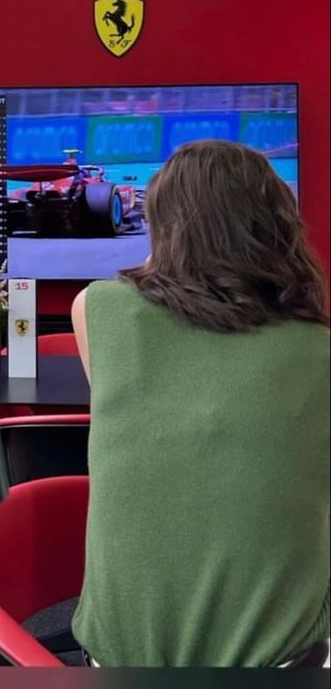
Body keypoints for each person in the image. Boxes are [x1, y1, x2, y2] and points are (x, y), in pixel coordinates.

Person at [71, 139, 330, 667]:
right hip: (285, 664)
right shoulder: (319, 350)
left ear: (164, 225)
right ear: (278, 229)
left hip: (113, 659)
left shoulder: (93, 309)